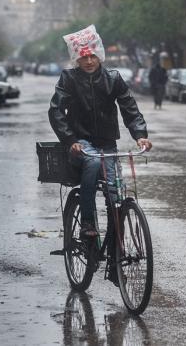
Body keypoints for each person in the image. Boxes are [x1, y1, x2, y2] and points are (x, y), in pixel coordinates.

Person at [48, 24, 152, 240]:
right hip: (81, 143)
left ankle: (117, 249)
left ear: (100, 56)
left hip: (107, 144)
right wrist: (70, 140)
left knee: (116, 193)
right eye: (84, 57)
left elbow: (130, 108)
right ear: (76, 58)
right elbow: (56, 110)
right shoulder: (69, 79)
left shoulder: (113, 79)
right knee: (94, 163)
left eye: (93, 56)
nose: (88, 61)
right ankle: (87, 222)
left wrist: (140, 135)